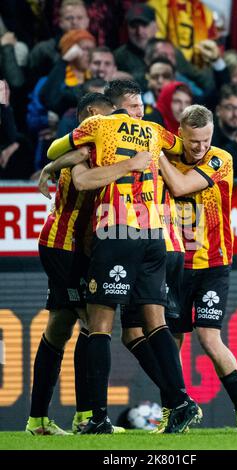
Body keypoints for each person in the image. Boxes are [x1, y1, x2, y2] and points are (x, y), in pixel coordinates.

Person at [47, 79, 200, 434]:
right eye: (136, 104)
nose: (140, 111)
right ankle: (180, 401)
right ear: (127, 104)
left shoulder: (96, 125)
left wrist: (55, 164)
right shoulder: (154, 131)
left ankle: (98, 417)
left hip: (116, 230)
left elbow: (56, 148)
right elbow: (188, 151)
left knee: (99, 325)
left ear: (106, 105)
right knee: (155, 321)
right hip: (154, 235)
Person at [26, 92, 152, 435]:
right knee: (91, 323)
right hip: (62, 245)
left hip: (79, 248)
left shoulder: (93, 149)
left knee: (61, 326)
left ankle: (47, 419)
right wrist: (128, 164)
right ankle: (86, 416)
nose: (116, 122)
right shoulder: (85, 150)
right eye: (111, 114)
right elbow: (81, 177)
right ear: (93, 115)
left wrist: (49, 166)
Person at [158, 104, 237, 433]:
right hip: (175, 263)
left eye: (205, 140)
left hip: (213, 264)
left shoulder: (220, 159)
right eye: (193, 142)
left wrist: (156, 155)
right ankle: (173, 411)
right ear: (180, 135)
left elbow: (180, 187)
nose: (200, 148)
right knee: (170, 341)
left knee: (208, 336)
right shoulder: (170, 156)